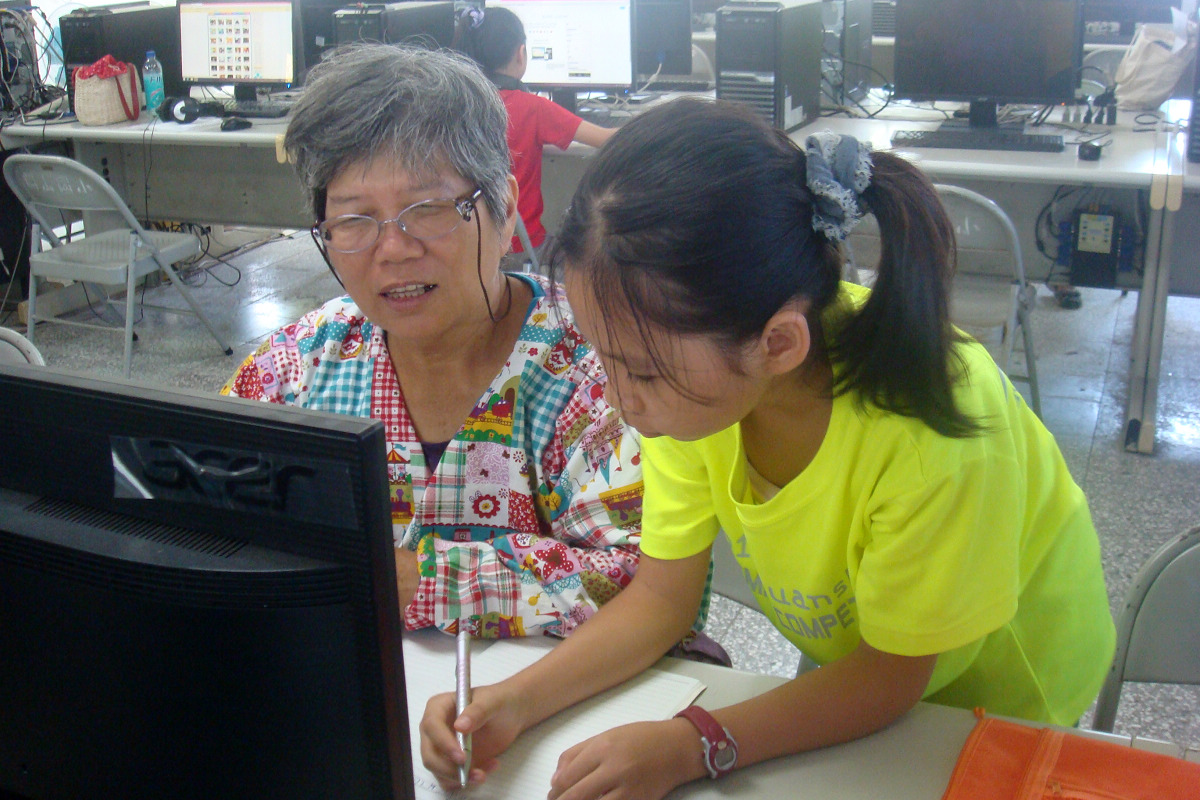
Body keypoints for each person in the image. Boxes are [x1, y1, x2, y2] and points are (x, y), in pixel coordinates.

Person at [420, 97, 1116, 799]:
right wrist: (514, 700)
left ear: (779, 344)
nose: (621, 402)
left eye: (642, 373)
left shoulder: (932, 433)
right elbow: (661, 597)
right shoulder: (696, 391)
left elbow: (891, 677)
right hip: (870, 663)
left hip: (1002, 686)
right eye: (607, 359)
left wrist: (696, 742)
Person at [220, 44, 646, 641]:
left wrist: (413, 581)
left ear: (503, 210)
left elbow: (643, 584)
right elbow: (202, 511)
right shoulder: (299, 365)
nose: (393, 249)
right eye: (354, 220)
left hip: (551, 693)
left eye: (427, 209)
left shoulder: (597, 367)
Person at [454, 6, 616, 261]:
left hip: (471, 245)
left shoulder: (456, 106)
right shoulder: (533, 108)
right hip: (522, 247)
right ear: (521, 54)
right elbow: (606, 138)